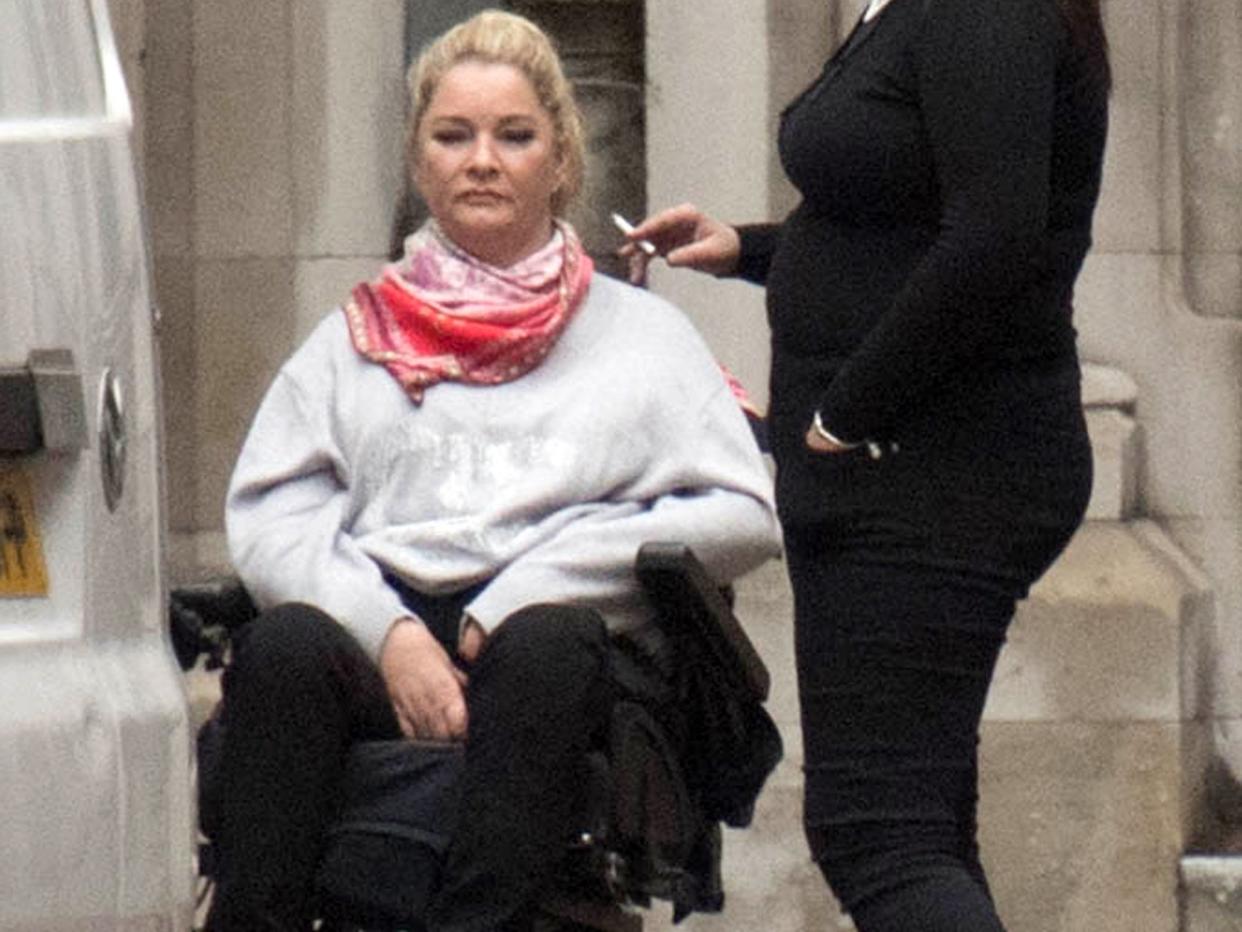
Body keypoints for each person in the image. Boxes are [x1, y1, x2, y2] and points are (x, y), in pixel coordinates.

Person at [204, 10, 782, 932]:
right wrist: (389, 635)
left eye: (514, 136)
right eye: (454, 135)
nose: (483, 159)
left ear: (560, 160)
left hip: (558, 653)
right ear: (419, 160)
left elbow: (744, 512)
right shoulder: (352, 339)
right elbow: (275, 514)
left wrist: (533, 585)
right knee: (281, 653)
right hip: (383, 630)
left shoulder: (643, 339)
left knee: (550, 648)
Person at [621, 1, 1110, 930]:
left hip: (933, 476)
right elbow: (903, 215)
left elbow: (998, 238)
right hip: (904, 469)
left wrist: (844, 413)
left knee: (876, 837)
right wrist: (751, 250)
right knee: (919, 835)